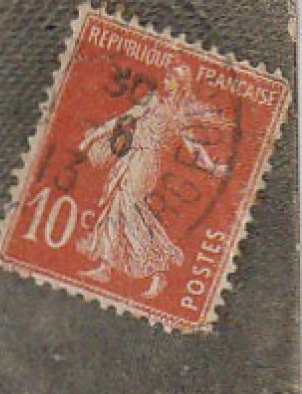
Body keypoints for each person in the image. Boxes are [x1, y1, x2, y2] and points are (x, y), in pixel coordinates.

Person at [76, 63, 231, 300]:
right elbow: (122, 120)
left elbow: (194, 147)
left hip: (144, 163)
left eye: (171, 79)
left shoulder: (176, 113)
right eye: (167, 77)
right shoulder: (154, 101)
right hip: (132, 158)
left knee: (128, 210)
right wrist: (94, 137)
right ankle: (106, 267)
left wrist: (211, 167)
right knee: (114, 207)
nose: (166, 81)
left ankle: (158, 271)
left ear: (180, 85)